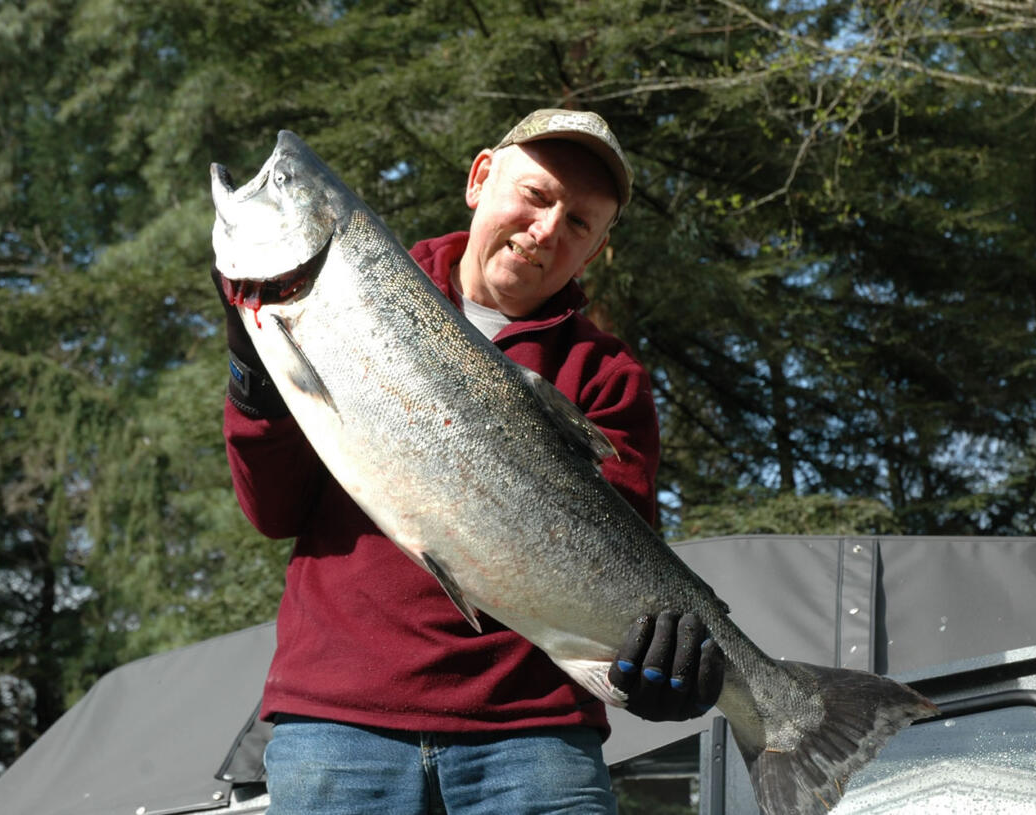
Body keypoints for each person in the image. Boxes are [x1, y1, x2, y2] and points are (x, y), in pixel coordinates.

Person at [216, 109, 724, 815]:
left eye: (579, 223)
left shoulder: (608, 374)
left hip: (536, 741)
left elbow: (619, 561)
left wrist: (660, 663)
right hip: (339, 723)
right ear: (480, 177)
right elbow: (271, 511)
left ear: (598, 247)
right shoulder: (347, 298)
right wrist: (254, 372)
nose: (547, 229)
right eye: (537, 196)